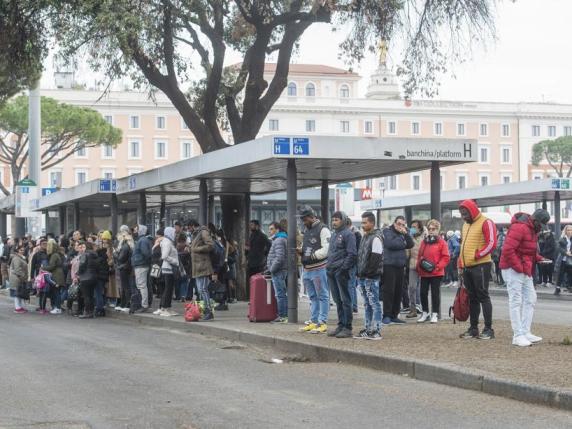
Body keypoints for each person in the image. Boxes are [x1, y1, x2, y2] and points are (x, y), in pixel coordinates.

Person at [500, 209, 551, 347]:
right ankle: (518, 335)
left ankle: (525, 331)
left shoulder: (531, 228)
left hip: (522, 268)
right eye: (540, 224)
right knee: (516, 301)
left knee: (530, 298)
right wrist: (519, 267)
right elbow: (507, 250)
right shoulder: (520, 227)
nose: (541, 228)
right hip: (513, 268)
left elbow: (528, 251)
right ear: (535, 221)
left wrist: (539, 258)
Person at [458, 199, 497, 340]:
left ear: (472, 211)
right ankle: (473, 328)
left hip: (481, 265)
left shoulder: (486, 222)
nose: (463, 216)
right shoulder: (465, 225)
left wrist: (478, 254)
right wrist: (460, 262)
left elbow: (492, 243)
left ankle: (488, 329)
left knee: (483, 296)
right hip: (467, 265)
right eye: (462, 214)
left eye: (465, 213)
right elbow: (463, 244)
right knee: (472, 298)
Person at [298, 207, 331, 334]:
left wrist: (311, 256)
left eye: (305, 219)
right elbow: (308, 246)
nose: (303, 222)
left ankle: (322, 322)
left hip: (318, 268)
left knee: (322, 295)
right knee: (312, 296)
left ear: (312, 217)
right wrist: (301, 250)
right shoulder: (307, 229)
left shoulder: (323, 229)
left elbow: (327, 249)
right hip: (307, 268)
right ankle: (314, 321)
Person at [326, 211, 357, 338]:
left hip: (341, 272)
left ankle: (348, 327)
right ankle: (341, 324)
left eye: (337, 220)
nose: (334, 222)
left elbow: (352, 254)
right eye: (333, 220)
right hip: (331, 270)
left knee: (345, 300)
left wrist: (343, 269)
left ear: (343, 220)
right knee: (337, 300)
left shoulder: (348, 234)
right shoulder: (334, 234)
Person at [355, 211, 383, 340]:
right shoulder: (365, 237)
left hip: (370, 277)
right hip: (363, 276)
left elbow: (375, 259)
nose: (362, 225)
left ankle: (376, 330)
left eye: (365, 222)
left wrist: (368, 274)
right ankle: (368, 328)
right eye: (362, 222)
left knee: (374, 303)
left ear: (372, 223)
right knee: (367, 304)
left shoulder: (376, 238)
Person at [382, 216, 414, 325]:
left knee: (398, 291)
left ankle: (394, 315)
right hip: (389, 265)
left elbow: (410, 244)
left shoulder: (403, 233)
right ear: (394, 223)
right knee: (389, 291)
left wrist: (405, 234)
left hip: (400, 265)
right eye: (399, 224)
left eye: (403, 224)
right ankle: (386, 315)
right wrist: (402, 242)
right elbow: (390, 244)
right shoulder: (387, 231)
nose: (401, 226)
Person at [416, 219, 450, 324]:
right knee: (422, 293)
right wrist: (418, 267)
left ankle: (434, 313)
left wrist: (438, 267)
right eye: (429, 228)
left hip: (436, 273)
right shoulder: (424, 242)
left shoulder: (442, 242)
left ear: (437, 230)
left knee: (435, 294)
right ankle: (425, 312)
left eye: (433, 229)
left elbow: (446, 257)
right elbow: (420, 255)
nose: (431, 230)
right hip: (424, 272)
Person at [190, 222, 215, 320]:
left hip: (203, 265)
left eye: (189, 228)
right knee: (200, 290)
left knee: (203, 289)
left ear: (192, 226)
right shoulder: (196, 234)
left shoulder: (203, 232)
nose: (188, 230)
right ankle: (205, 310)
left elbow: (210, 245)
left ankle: (208, 311)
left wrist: (196, 249)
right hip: (197, 266)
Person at [156, 226, 180, 317]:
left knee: (169, 289)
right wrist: (175, 261)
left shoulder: (167, 241)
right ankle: (165, 308)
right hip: (168, 269)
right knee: (168, 289)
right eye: (173, 233)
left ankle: (167, 308)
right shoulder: (167, 242)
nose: (175, 234)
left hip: (168, 269)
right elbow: (164, 256)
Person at [267, 222, 288, 323]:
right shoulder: (280, 239)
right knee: (281, 294)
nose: (269, 231)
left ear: (277, 229)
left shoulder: (279, 240)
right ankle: (283, 315)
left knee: (280, 294)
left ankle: (282, 316)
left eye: (271, 229)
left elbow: (279, 257)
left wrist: (271, 268)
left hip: (278, 271)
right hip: (280, 270)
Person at [132, 224, 152, 312]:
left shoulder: (142, 240)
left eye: (137, 229)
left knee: (142, 286)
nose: (135, 231)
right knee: (142, 285)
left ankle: (144, 305)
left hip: (141, 265)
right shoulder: (143, 240)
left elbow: (146, 253)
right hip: (142, 265)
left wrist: (139, 260)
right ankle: (143, 304)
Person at [406, 220, 425, 318]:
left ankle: (425, 310)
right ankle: (413, 309)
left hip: (424, 266)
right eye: (411, 226)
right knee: (412, 287)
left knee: (424, 289)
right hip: (413, 265)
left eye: (414, 226)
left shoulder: (425, 238)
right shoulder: (409, 238)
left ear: (419, 228)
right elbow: (407, 254)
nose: (412, 228)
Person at [114, 225, 134, 313]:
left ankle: (127, 304)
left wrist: (115, 253)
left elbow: (120, 258)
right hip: (125, 267)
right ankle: (123, 304)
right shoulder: (127, 245)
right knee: (124, 286)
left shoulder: (125, 246)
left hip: (124, 267)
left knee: (125, 286)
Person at [77, 241, 100, 319]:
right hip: (94, 277)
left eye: (83, 246)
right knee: (91, 295)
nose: (82, 248)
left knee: (86, 296)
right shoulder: (95, 255)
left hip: (85, 277)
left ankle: (87, 312)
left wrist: (78, 273)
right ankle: (91, 312)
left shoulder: (85, 254)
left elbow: (82, 265)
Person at [45, 239, 65, 315]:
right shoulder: (57, 254)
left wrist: (43, 268)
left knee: (56, 292)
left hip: (56, 275)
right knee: (57, 292)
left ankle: (58, 308)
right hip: (58, 274)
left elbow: (51, 266)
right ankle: (57, 307)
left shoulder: (54, 255)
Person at [346, 218, 361, 313]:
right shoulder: (356, 233)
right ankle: (354, 306)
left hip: (352, 263)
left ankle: (351, 306)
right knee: (352, 285)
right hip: (353, 262)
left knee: (350, 285)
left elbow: (355, 251)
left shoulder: (355, 234)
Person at [10, 245, 29, 313]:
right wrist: (23, 276)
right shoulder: (16, 258)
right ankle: (17, 308)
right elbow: (17, 270)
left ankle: (19, 307)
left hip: (20, 278)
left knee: (19, 293)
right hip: (17, 278)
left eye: (23, 250)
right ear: (17, 251)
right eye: (21, 250)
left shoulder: (21, 258)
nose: (22, 251)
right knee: (17, 294)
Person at [554, 225, 572, 295]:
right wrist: (565, 252)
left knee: (570, 274)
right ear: (565, 231)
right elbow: (559, 248)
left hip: (570, 260)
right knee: (560, 274)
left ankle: (569, 286)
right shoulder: (562, 239)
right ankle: (557, 288)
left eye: (571, 230)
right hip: (563, 260)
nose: (570, 231)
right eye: (568, 230)